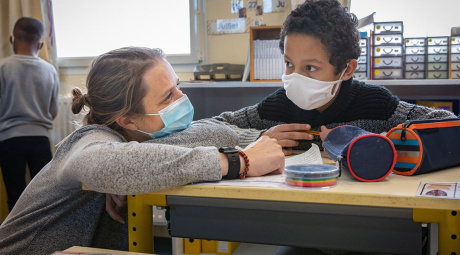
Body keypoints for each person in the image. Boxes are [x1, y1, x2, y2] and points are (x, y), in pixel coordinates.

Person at [0, 47, 285, 254]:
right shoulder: (88, 141)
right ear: (127, 120)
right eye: (168, 97)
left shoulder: (132, 139)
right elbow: (108, 167)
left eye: (178, 87)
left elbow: (212, 128)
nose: (182, 99)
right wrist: (237, 160)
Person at [214, 0, 455, 155]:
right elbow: (200, 131)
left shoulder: (378, 105)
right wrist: (256, 137)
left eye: (310, 68)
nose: (294, 78)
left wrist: (376, 143)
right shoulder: (274, 108)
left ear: (347, 70)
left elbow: (454, 131)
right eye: (289, 64)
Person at [0, 17, 59, 211]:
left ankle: (15, 239)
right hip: (39, 139)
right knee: (42, 195)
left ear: (12, 39)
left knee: (15, 195)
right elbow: (53, 111)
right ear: (41, 44)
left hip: (9, 139)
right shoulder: (49, 70)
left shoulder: (3, 67)